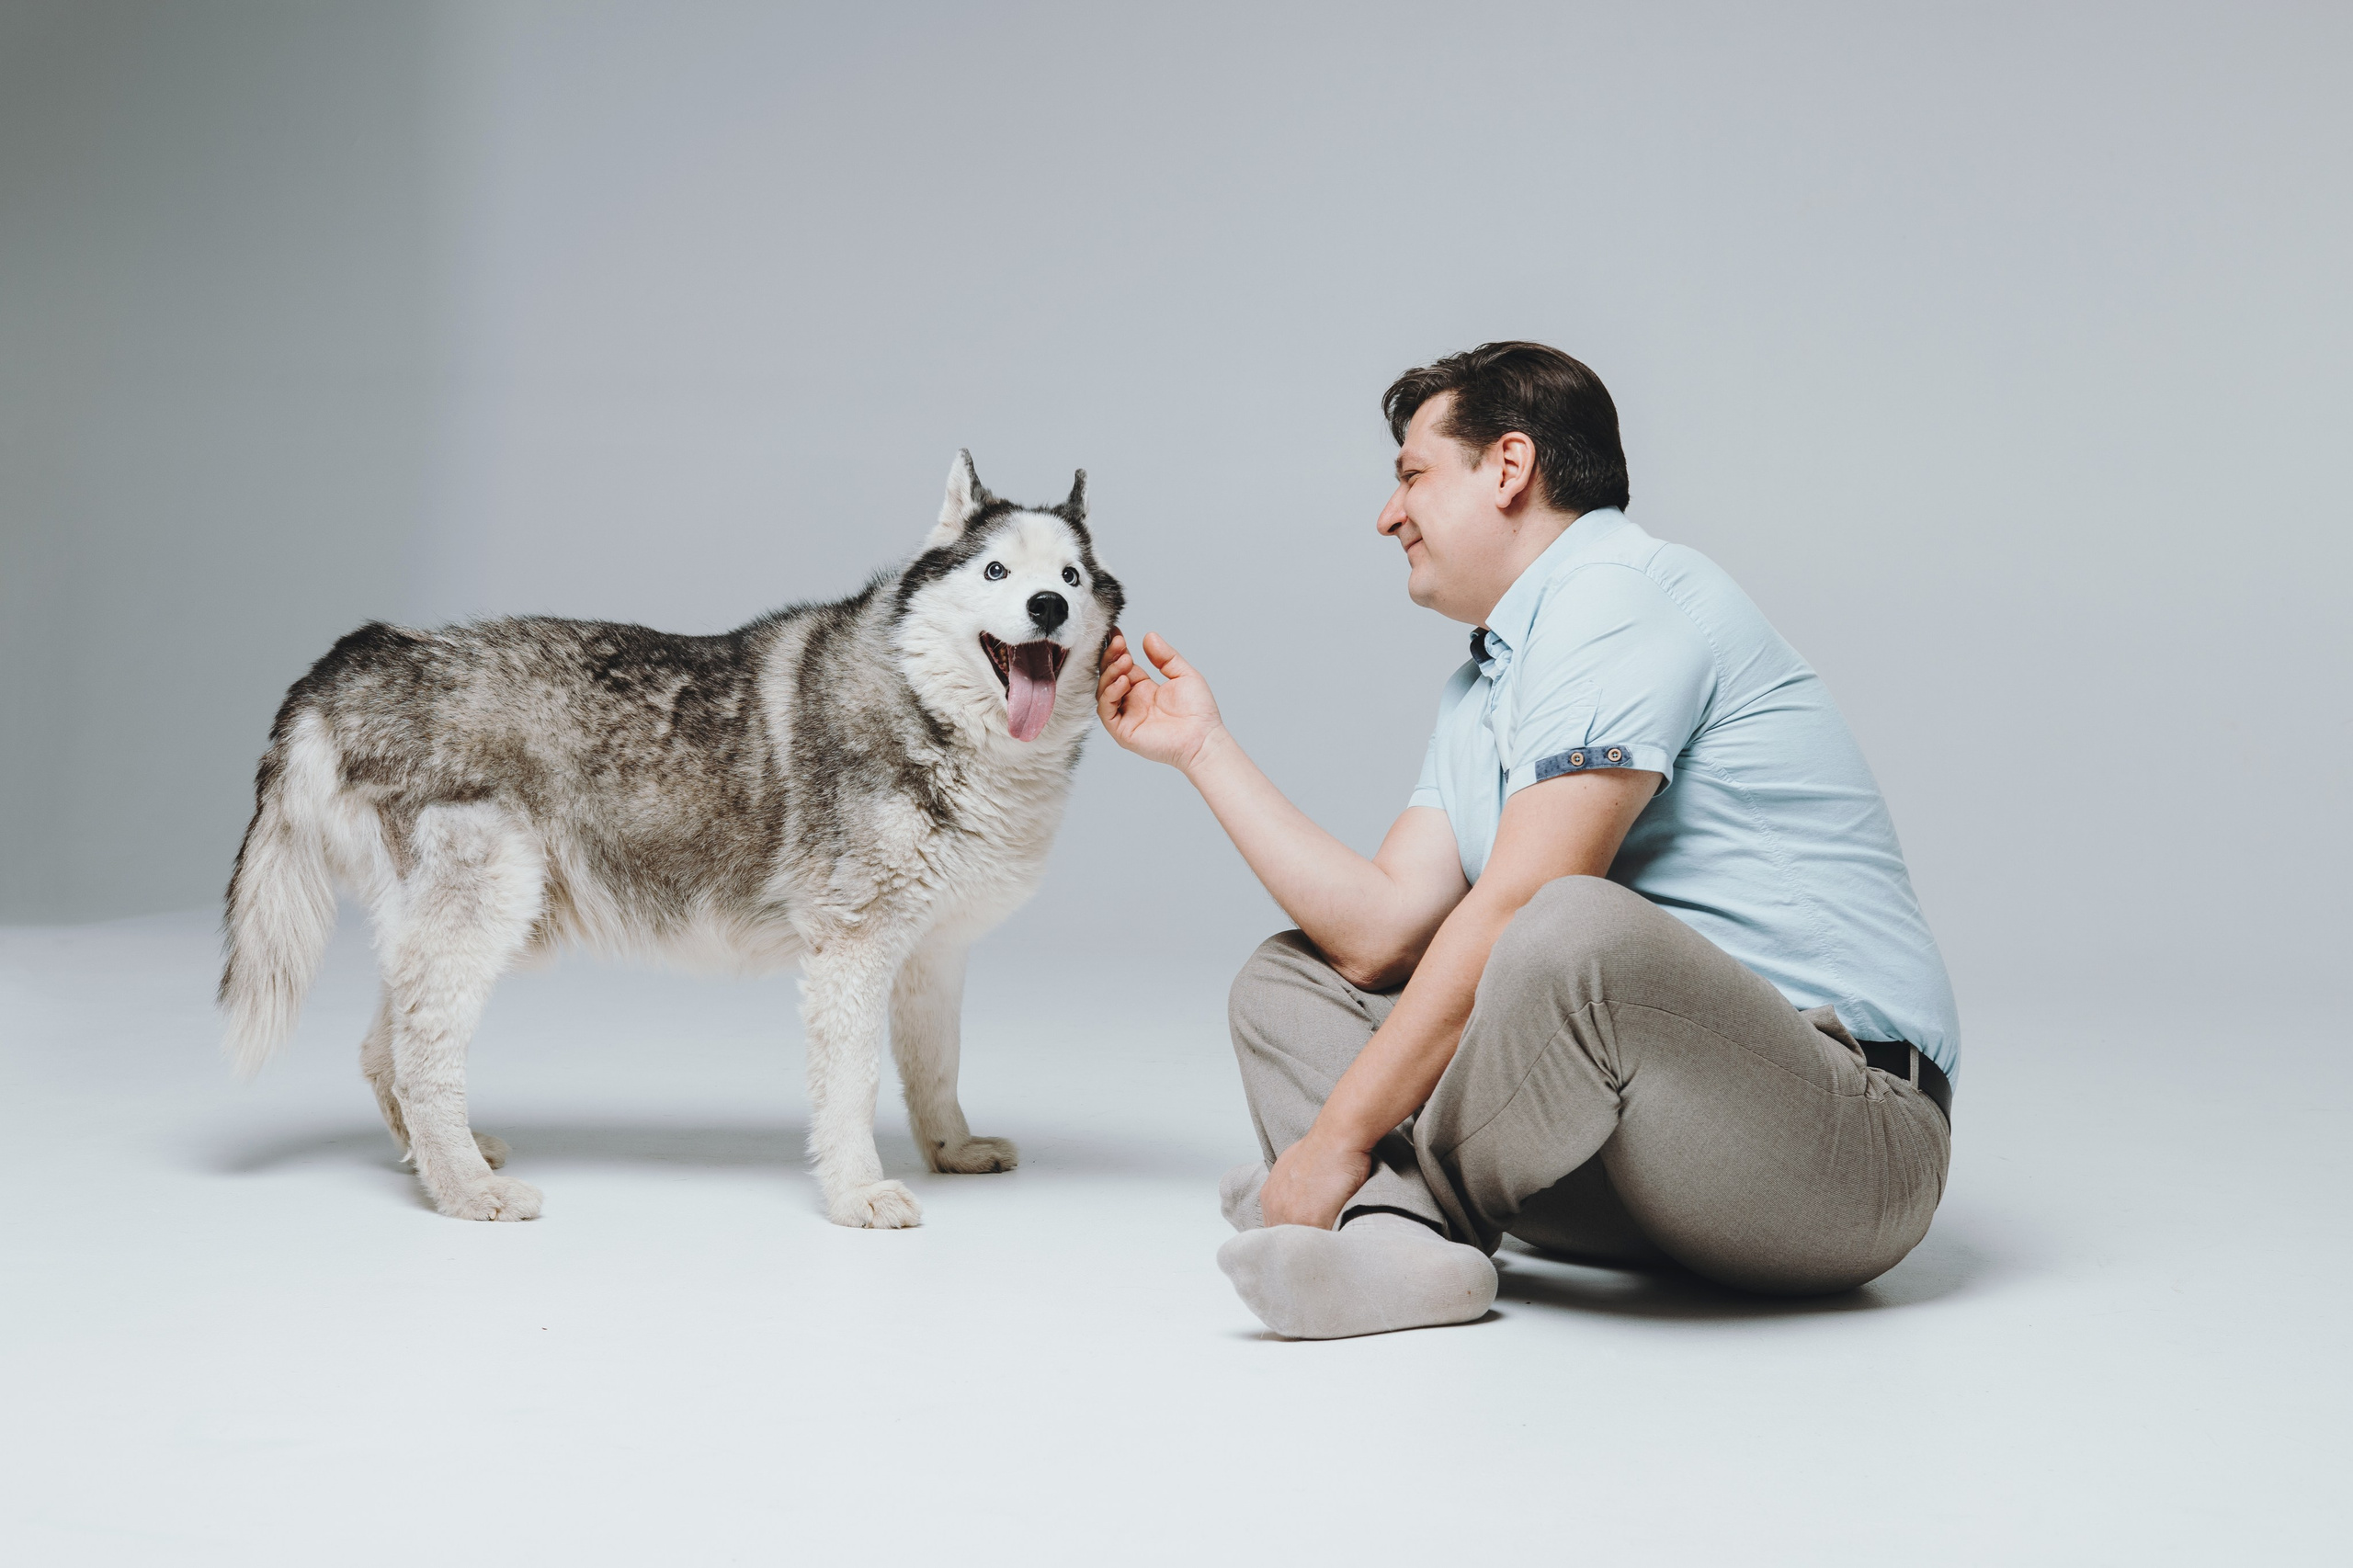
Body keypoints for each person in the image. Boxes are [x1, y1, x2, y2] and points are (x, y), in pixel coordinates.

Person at [1094, 342, 1958, 1339]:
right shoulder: (1485, 686)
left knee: (1567, 922)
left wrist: (1333, 1140)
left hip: (1843, 1153)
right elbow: (1379, 932)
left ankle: (1380, 1208)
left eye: (1412, 475)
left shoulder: (1618, 594)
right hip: (1635, 1169)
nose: (1388, 515)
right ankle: (1403, 1242)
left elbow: (1525, 906)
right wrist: (1202, 747)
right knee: (1283, 980)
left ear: (1508, 468)